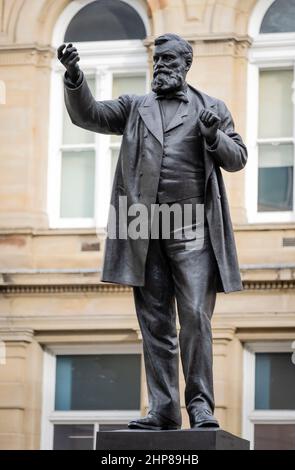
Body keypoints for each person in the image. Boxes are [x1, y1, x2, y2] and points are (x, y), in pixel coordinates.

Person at [58, 33, 247, 430]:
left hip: (193, 225)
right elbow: (88, 114)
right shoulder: (133, 106)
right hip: (143, 226)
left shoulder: (212, 108)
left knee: (195, 316)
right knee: (155, 323)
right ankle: (163, 408)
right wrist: (75, 76)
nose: (160, 65)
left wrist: (213, 136)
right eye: (156, 58)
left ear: (185, 63)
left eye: (168, 59)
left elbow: (237, 159)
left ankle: (200, 405)